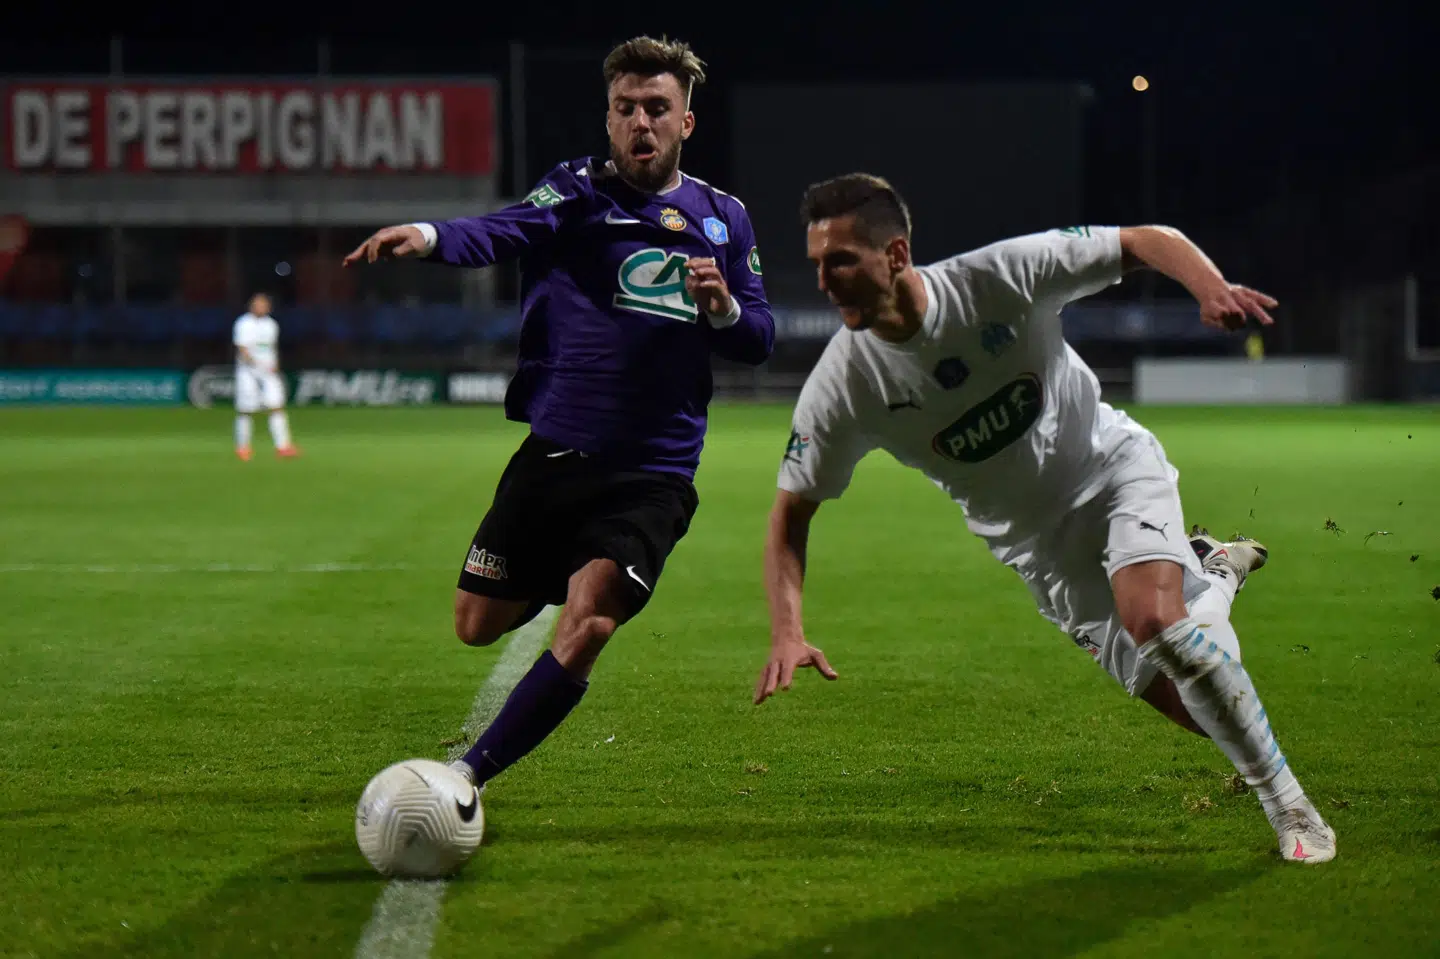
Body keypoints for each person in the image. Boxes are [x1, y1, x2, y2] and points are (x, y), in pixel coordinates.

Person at [754, 173, 1335, 864]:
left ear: (897, 254)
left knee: (1157, 624)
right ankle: (1212, 577)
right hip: (1041, 552)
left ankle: (1293, 810)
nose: (824, 281)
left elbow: (1142, 240)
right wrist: (787, 629)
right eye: (817, 264)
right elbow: (790, 514)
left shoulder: (997, 278)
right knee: (1201, 706)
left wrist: (1210, 289)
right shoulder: (842, 386)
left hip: (1112, 472)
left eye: (841, 261)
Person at [343, 36, 774, 792]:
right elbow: (504, 229)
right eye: (625, 107)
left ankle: (465, 779)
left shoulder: (722, 217)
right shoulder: (577, 191)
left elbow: (759, 338)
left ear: (685, 122)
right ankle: (564, 571)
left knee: (591, 618)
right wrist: (430, 236)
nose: (640, 121)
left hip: (654, 471)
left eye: (657, 107)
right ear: (608, 118)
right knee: (475, 624)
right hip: (559, 453)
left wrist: (723, 308)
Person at [232, 293, 298, 460]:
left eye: (264, 304)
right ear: (251, 306)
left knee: (276, 406)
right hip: (247, 371)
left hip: (268, 372)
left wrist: (274, 364)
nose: (261, 307)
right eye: (258, 304)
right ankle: (243, 447)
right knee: (246, 410)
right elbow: (242, 348)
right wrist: (255, 363)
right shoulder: (243, 323)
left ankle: (283, 446)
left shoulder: (271, 324)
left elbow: (272, 347)